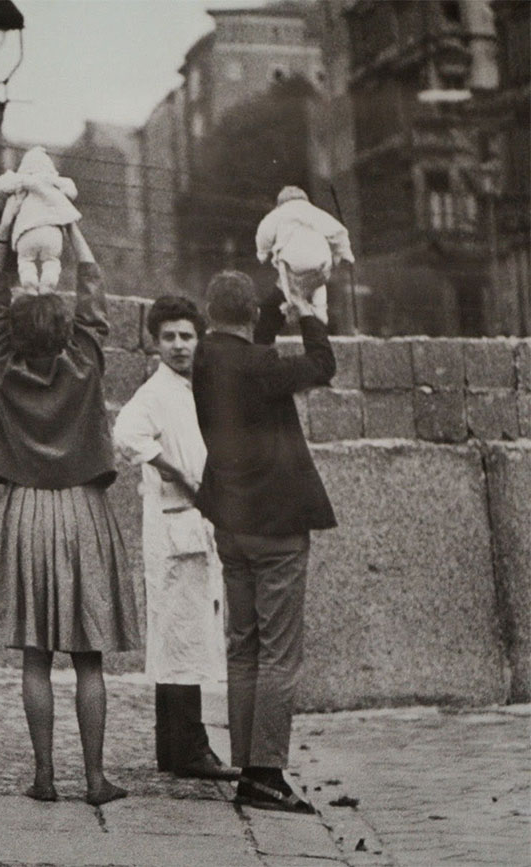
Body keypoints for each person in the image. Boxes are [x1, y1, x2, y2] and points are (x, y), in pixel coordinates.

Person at [0, 208, 140, 807]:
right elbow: (94, 295)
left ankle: (44, 776)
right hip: (82, 512)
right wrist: (72, 226)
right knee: (88, 656)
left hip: (24, 513)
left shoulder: (3, 363)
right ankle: (96, 780)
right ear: (69, 330)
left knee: (36, 657)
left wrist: (5, 229)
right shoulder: (87, 361)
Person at [192, 271, 337, 813]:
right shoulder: (261, 366)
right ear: (250, 316)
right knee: (280, 653)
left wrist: (283, 291)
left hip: (230, 522)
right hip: (276, 526)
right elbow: (323, 365)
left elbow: (256, 337)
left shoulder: (205, 357)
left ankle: (247, 768)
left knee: (244, 648)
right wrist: (310, 314)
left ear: (209, 314)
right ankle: (268, 774)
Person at [113, 296, 239, 782]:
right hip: (174, 523)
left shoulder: (196, 387)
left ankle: (174, 748)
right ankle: (191, 747)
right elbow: (126, 435)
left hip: (194, 524)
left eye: (187, 336)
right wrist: (177, 471)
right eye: (169, 337)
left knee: (182, 637)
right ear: (155, 342)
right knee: (181, 636)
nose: (179, 345)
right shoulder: (155, 392)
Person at [255, 185, 354, 325]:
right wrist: (345, 254)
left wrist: (262, 253)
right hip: (321, 261)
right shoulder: (315, 212)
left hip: (293, 262)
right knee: (319, 284)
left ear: (280, 203)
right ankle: (320, 309)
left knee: (288, 286)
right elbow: (338, 232)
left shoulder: (278, 213)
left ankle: (291, 304)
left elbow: (264, 233)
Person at [0, 146, 81, 294]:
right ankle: (49, 282)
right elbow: (72, 191)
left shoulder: (21, 181)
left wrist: (19, 180)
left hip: (26, 232)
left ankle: (29, 283)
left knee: (25, 260)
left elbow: (0, 186)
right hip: (51, 232)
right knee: (51, 260)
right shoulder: (52, 181)